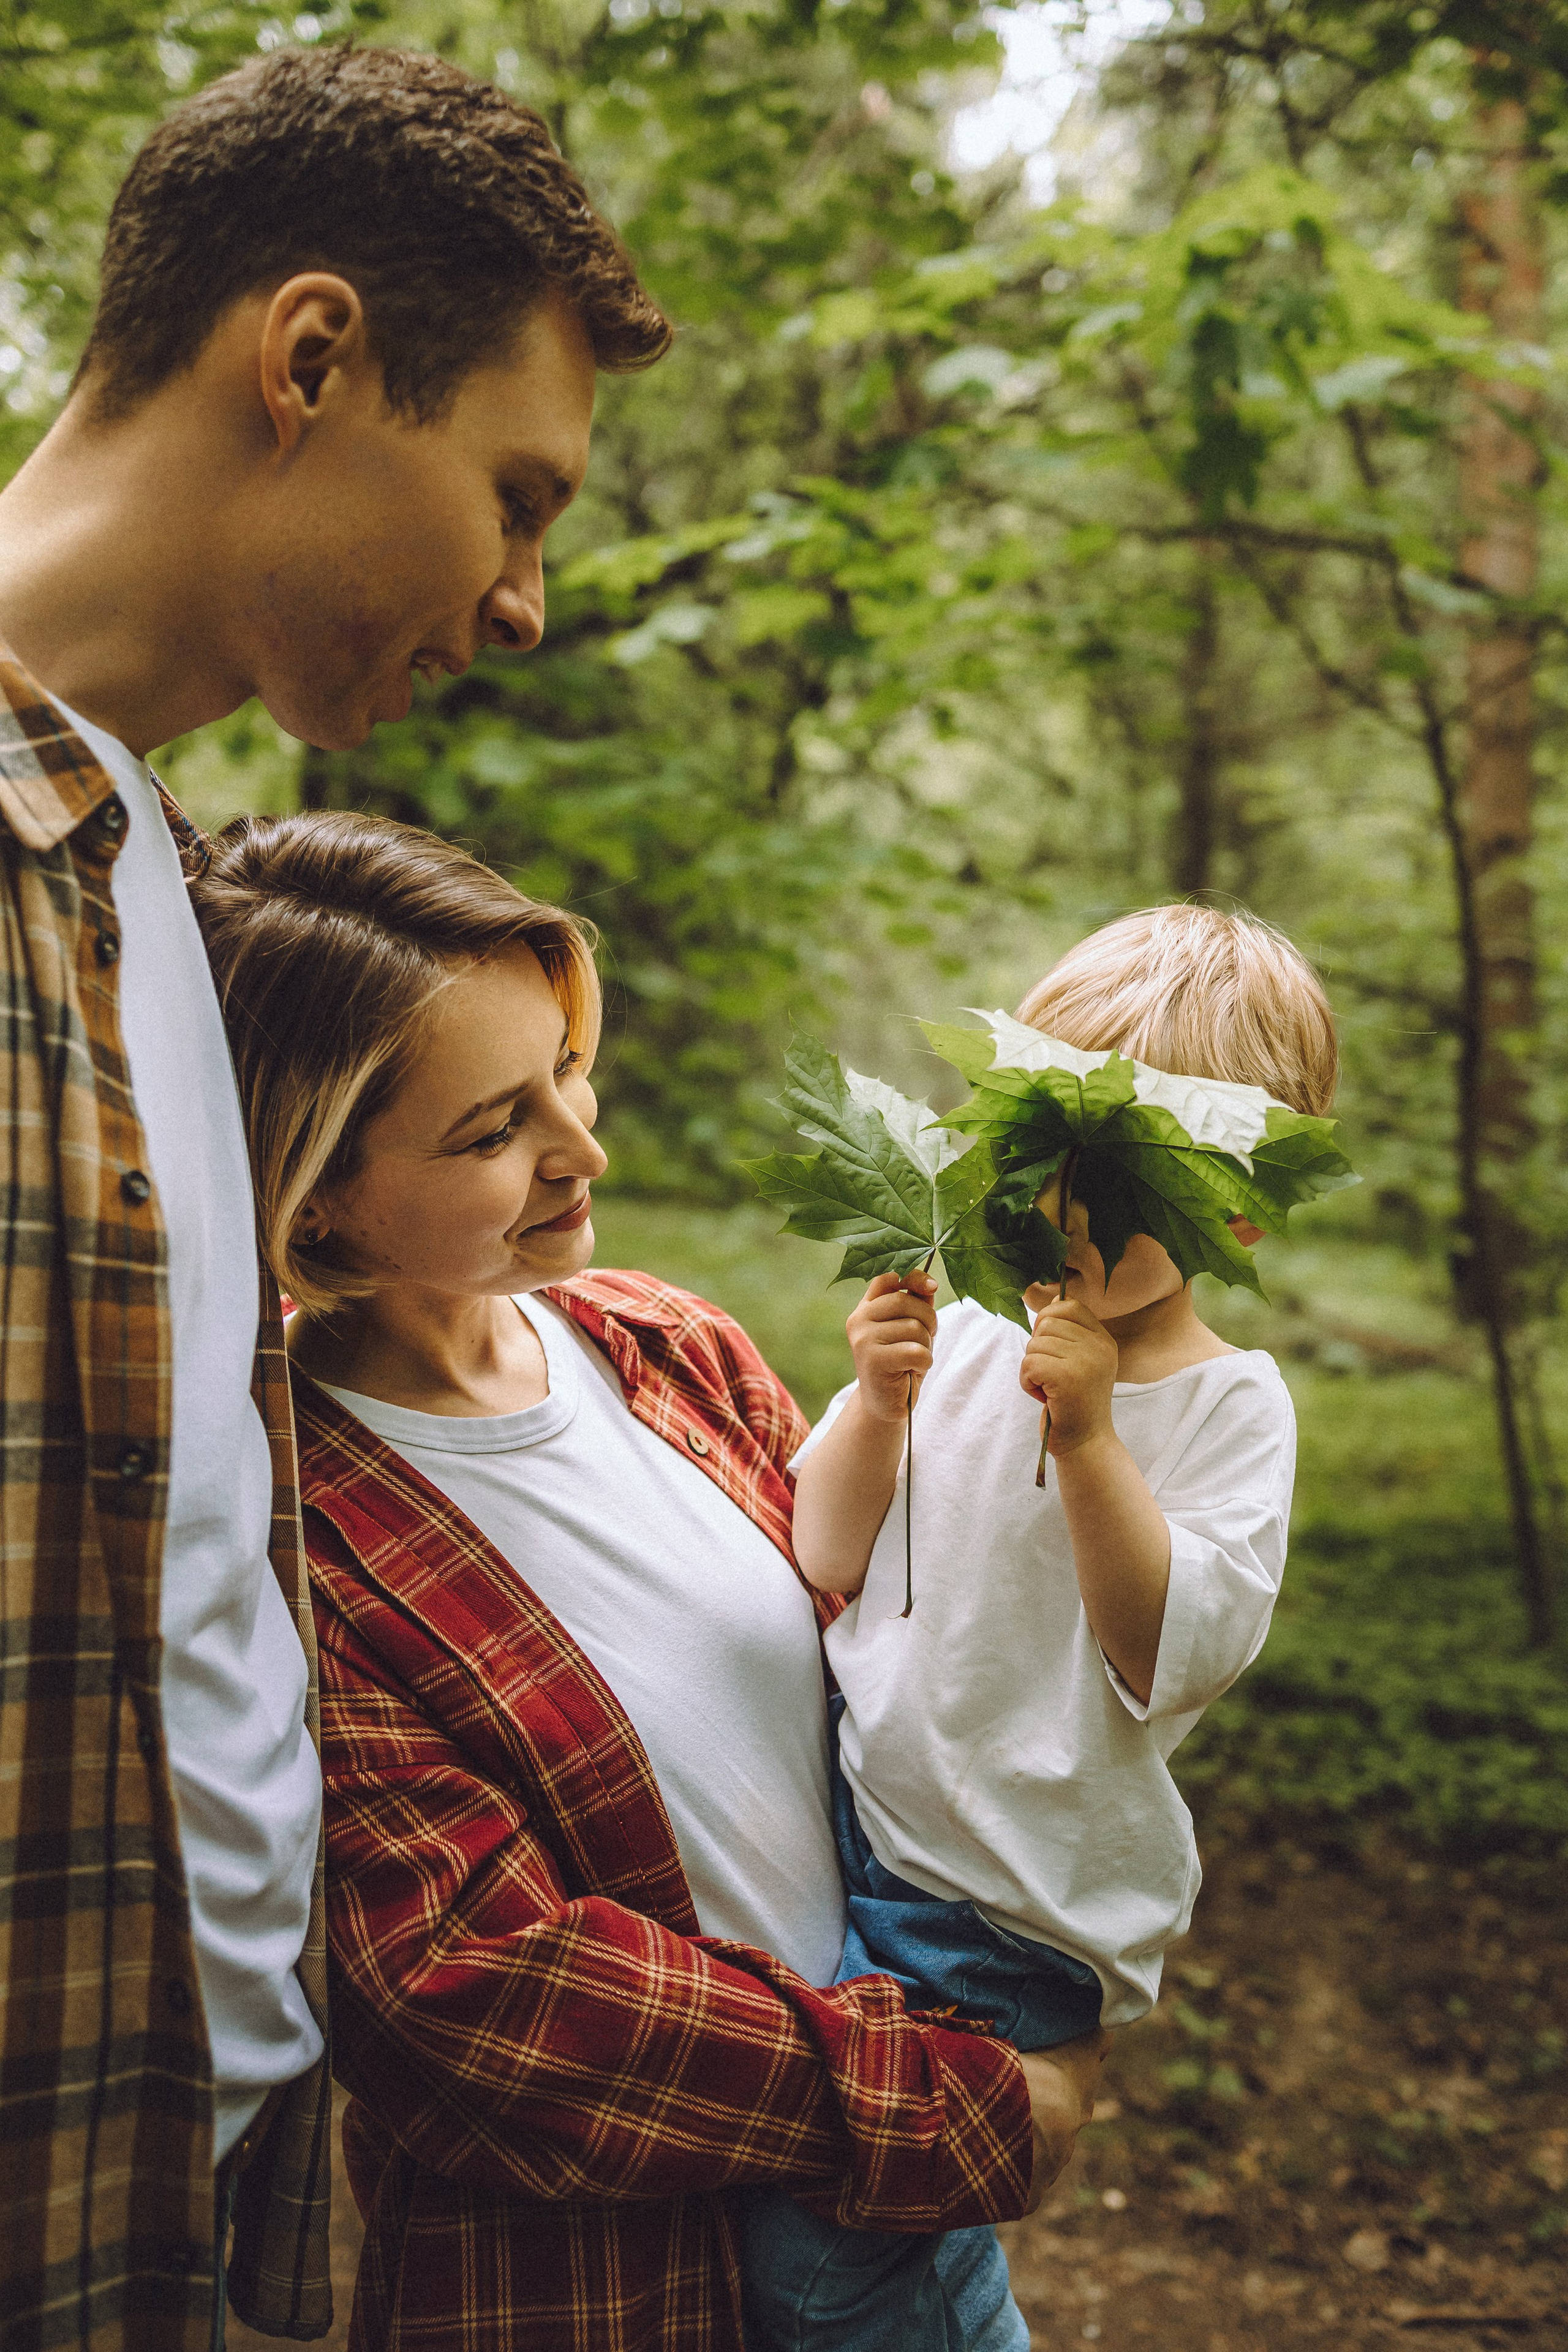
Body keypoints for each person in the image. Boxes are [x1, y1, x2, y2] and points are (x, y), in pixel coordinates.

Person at [0, 41, 669, 2345]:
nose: (525, 600)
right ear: (309, 360)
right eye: (517, 495)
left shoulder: (159, 897)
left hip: (202, 2184)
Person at [186, 807, 1109, 2352]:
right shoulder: (285, 1530)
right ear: (312, 1189)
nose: (583, 1148)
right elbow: (467, 1994)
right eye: (493, 1132)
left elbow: (870, 1672)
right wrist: (947, 2101)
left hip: (888, 2226)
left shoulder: (661, 1342)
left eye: (568, 1067)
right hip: (603, 2280)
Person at [742, 902, 1338, 2349]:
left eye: (1125, 1184)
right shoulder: (961, 1338)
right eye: (1036, 1158)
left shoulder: (1226, 1407)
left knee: (817, 2264)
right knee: (880, 2231)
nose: (1063, 1215)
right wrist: (875, 1404)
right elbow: (822, 1547)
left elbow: (1165, 1653)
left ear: (1237, 1211)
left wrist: (1088, 1442)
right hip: (864, 1834)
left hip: (999, 1905)